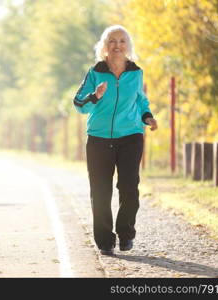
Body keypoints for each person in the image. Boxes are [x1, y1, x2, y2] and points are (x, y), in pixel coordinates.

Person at [73, 25, 158, 256]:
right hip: (99, 138)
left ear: (127, 46)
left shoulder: (136, 72)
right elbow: (79, 104)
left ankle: (126, 233)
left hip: (131, 136)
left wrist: (147, 116)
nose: (117, 45)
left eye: (121, 41)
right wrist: (95, 96)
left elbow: (141, 100)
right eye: (112, 41)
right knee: (100, 190)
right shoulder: (95, 72)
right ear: (104, 46)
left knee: (129, 187)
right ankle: (104, 241)